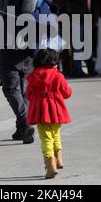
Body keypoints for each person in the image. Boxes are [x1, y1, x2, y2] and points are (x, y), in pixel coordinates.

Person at [25, 49, 72, 179]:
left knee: (46, 137)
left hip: (41, 111)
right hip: (56, 109)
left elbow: (28, 95)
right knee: (55, 133)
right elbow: (67, 93)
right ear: (54, 63)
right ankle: (59, 159)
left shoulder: (33, 76)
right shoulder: (58, 75)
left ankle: (50, 165)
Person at [66, 0, 95, 77]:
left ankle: (91, 69)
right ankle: (78, 71)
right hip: (76, 19)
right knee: (77, 47)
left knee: (87, 46)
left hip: (85, 18)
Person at [53, 0, 76, 77]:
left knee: (62, 45)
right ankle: (68, 70)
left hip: (58, 17)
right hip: (67, 17)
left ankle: (62, 68)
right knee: (68, 46)